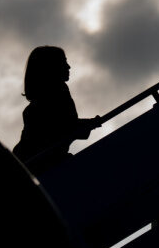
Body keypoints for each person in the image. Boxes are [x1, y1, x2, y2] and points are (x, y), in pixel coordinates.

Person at [13, 46, 102, 174]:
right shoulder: (54, 95)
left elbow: (64, 125)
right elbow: (62, 127)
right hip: (36, 165)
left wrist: (88, 124)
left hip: (36, 163)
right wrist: (89, 124)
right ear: (51, 67)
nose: (68, 67)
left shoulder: (53, 95)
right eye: (64, 62)